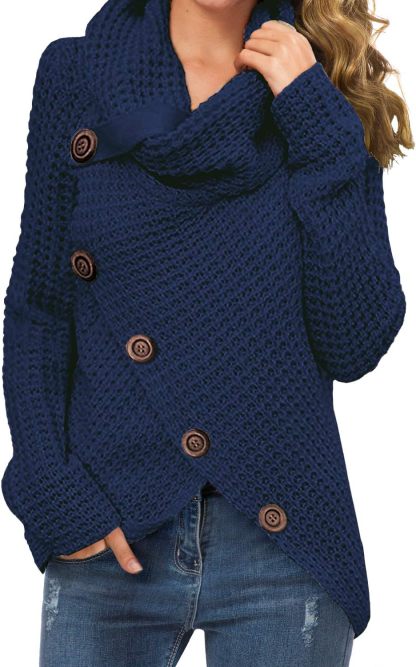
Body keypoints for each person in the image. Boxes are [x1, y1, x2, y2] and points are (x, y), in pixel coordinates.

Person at [1, 0, 412, 664]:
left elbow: (355, 341)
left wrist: (316, 120)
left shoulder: (319, 87)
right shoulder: (76, 74)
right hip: (110, 525)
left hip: (283, 538)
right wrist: (49, 488)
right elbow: (39, 309)